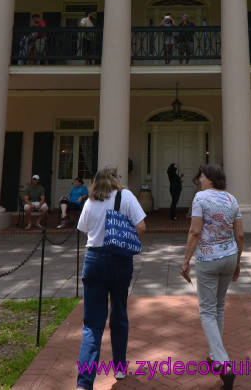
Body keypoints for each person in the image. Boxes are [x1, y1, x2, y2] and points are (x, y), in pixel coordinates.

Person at [76, 165, 147, 390]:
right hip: (119, 261)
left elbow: (84, 229)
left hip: (94, 260)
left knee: (92, 325)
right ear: (116, 179)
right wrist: (128, 240)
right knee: (119, 312)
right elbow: (142, 226)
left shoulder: (90, 201)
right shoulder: (126, 196)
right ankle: (119, 366)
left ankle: (84, 383)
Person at [181, 163, 243, 390]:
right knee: (218, 307)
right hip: (229, 257)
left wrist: (186, 260)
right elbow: (240, 234)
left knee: (207, 310)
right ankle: (215, 355)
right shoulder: (232, 199)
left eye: (202, 176)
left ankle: (224, 364)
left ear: (211, 178)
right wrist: (238, 261)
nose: (200, 179)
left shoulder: (200, 198)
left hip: (208, 260)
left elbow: (195, 231)